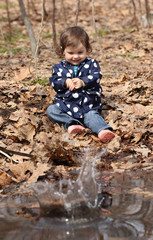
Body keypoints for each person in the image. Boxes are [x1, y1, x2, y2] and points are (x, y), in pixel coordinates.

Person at [47, 26, 115, 143]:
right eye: (70, 53)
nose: (75, 56)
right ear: (63, 50)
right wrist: (64, 81)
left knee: (92, 116)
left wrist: (83, 81)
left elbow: (96, 77)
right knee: (52, 110)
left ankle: (102, 130)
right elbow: (54, 82)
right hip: (66, 105)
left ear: (87, 49)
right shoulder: (58, 68)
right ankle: (72, 124)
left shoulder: (92, 64)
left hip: (87, 105)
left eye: (80, 52)